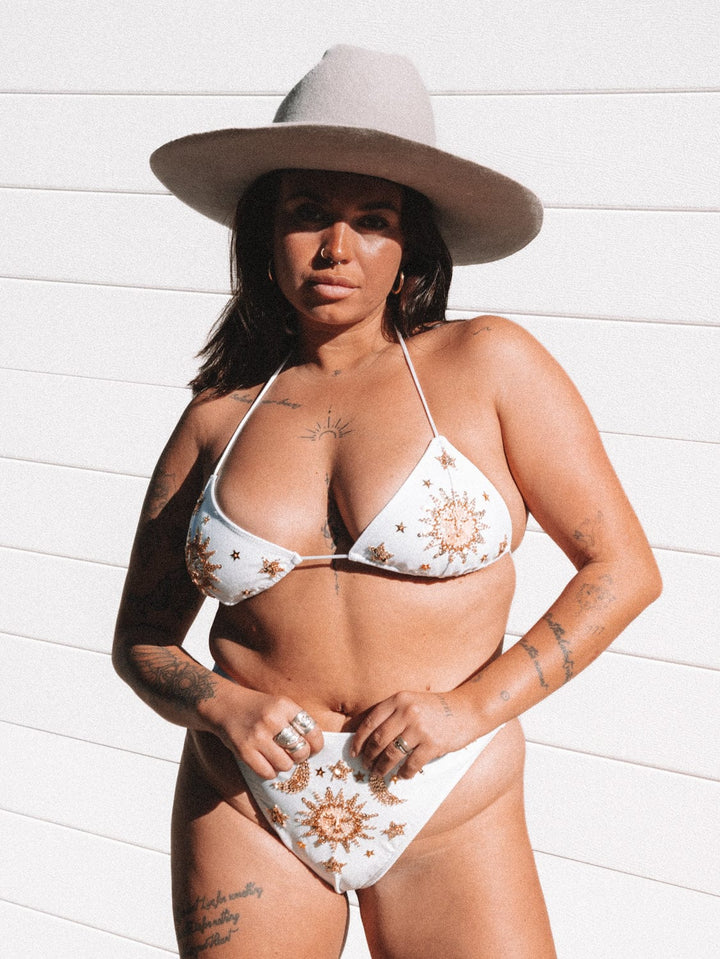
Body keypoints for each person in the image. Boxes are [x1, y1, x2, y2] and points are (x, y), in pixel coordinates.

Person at [113, 45, 661, 959]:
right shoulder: (217, 417)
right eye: (307, 213)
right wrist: (223, 706)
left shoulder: (488, 364)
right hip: (248, 802)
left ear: (413, 247)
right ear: (264, 233)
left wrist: (470, 707)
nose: (337, 248)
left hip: (450, 797)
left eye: (373, 220)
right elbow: (141, 637)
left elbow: (623, 569)